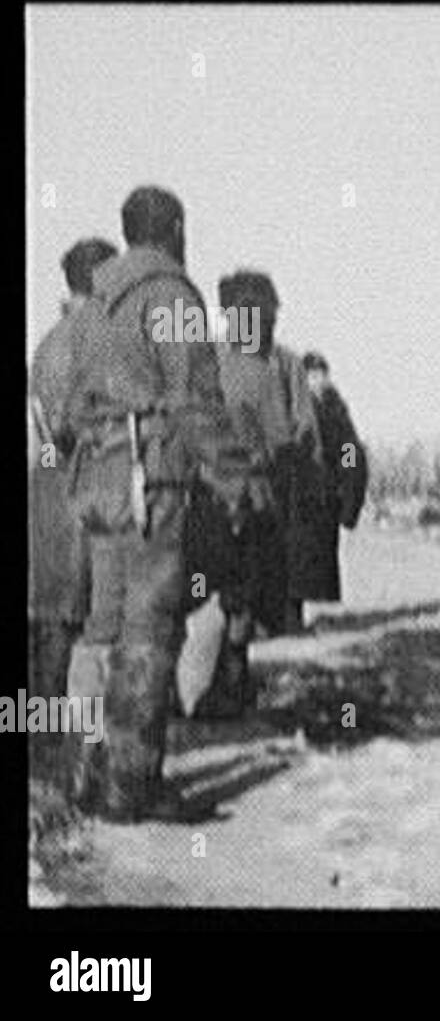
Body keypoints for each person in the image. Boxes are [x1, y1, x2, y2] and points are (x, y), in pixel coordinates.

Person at [62, 186, 232, 822]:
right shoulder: (170, 294)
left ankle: (84, 772)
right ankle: (132, 787)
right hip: (149, 483)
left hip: (99, 482)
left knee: (100, 625)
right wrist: (236, 478)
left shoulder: (93, 303)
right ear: (176, 230)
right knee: (149, 631)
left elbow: (71, 407)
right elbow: (196, 401)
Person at [182, 269, 318, 716]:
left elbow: (302, 437)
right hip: (234, 498)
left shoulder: (229, 360)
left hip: (235, 497)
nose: (263, 323)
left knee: (231, 593)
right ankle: (219, 685)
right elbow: (302, 438)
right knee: (231, 593)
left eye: (266, 315)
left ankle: (222, 684)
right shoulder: (274, 364)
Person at [28, 238, 118, 774]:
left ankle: (45, 745)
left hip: (46, 493)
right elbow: (70, 426)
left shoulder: (49, 342)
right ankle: (65, 756)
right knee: (73, 626)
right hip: (73, 495)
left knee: (50, 626)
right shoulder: (86, 341)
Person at [292, 351, 368, 628]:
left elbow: (349, 452)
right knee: (293, 561)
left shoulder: (336, 411)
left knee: (318, 563)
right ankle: (292, 617)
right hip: (296, 494)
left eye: (321, 375)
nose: (317, 381)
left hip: (324, 496)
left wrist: (348, 491)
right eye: (311, 376)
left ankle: (313, 617)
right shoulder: (292, 405)